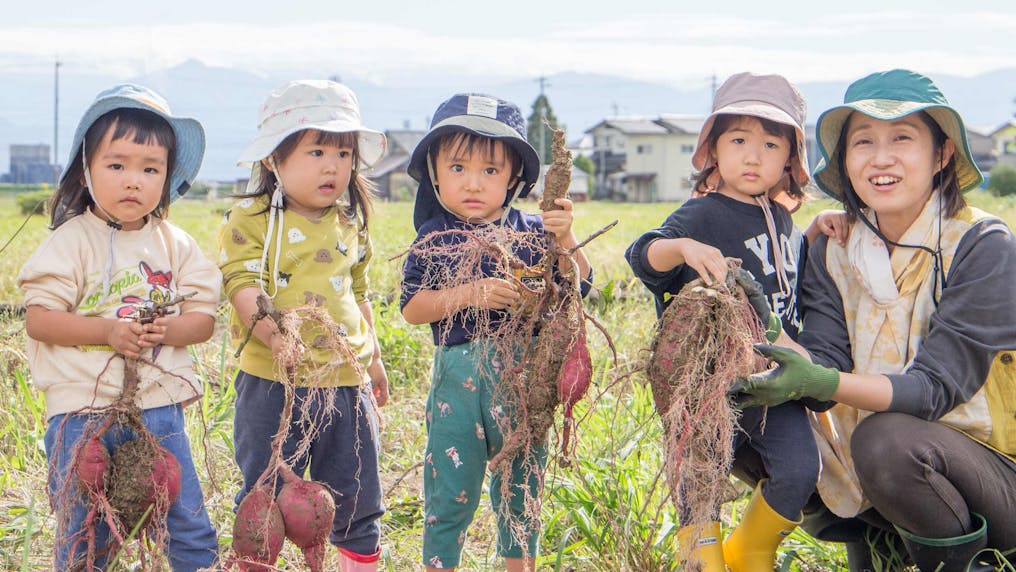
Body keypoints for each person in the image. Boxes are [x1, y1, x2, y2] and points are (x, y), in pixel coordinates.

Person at [734, 69, 1016, 572]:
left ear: (943, 153)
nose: (880, 158)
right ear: (845, 160)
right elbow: (826, 368)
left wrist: (823, 378)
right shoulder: (835, 249)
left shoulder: (982, 245)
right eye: (863, 142)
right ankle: (879, 545)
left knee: (885, 439)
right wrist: (771, 348)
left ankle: (972, 562)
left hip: (995, 470)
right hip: (894, 467)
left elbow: (932, 391)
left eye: (902, 138)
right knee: (746, 417)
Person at [626, 72, 847, 572]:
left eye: (771, 144)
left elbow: (783, 277)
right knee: (698, 475)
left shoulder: (783, 220)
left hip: (773, 379)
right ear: (713, 149)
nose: (753, 156)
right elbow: (642, 255)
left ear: (790, 159)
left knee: (798, 469)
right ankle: (700, 561)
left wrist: (810, 233)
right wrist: (680, 248)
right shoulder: (700, 216)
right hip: (705, 384)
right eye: (739, 140)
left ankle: (752, 549)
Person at [18, 84, 220, 571]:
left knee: (186, 520)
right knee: (84, 530)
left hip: (159, 409)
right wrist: (108, 332)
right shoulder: (71, 242)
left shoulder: (175, 243)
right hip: (79, 414)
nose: (134, 181)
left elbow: (204, 320)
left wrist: (167, 332)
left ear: (168, 177)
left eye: (150, 169)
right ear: (86, 170)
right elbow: (41, 319)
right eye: (117, 165)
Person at [400, 93, 593, 572]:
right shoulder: (433, 239)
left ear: (513, 179)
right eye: (458, 167)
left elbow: (580, 282)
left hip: (524, 385)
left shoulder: (532, 233)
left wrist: (566, 238)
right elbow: (412, 308)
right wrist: (471, 293)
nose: (473, 183)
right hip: (456, 389)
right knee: (450, 489)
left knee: (521, 490)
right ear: (435, 173)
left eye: (490, 171)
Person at [219, 79, 390, 571]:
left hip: (344, 382)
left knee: (357, 495)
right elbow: (241, 286)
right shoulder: (249, 219)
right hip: (274, 381)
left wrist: (373, 362)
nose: (332, 165)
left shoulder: (348, 223)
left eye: (342, 152)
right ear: (274, 159)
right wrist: (277, 336)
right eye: (316, 150)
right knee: (264, 498)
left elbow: (358, 295)